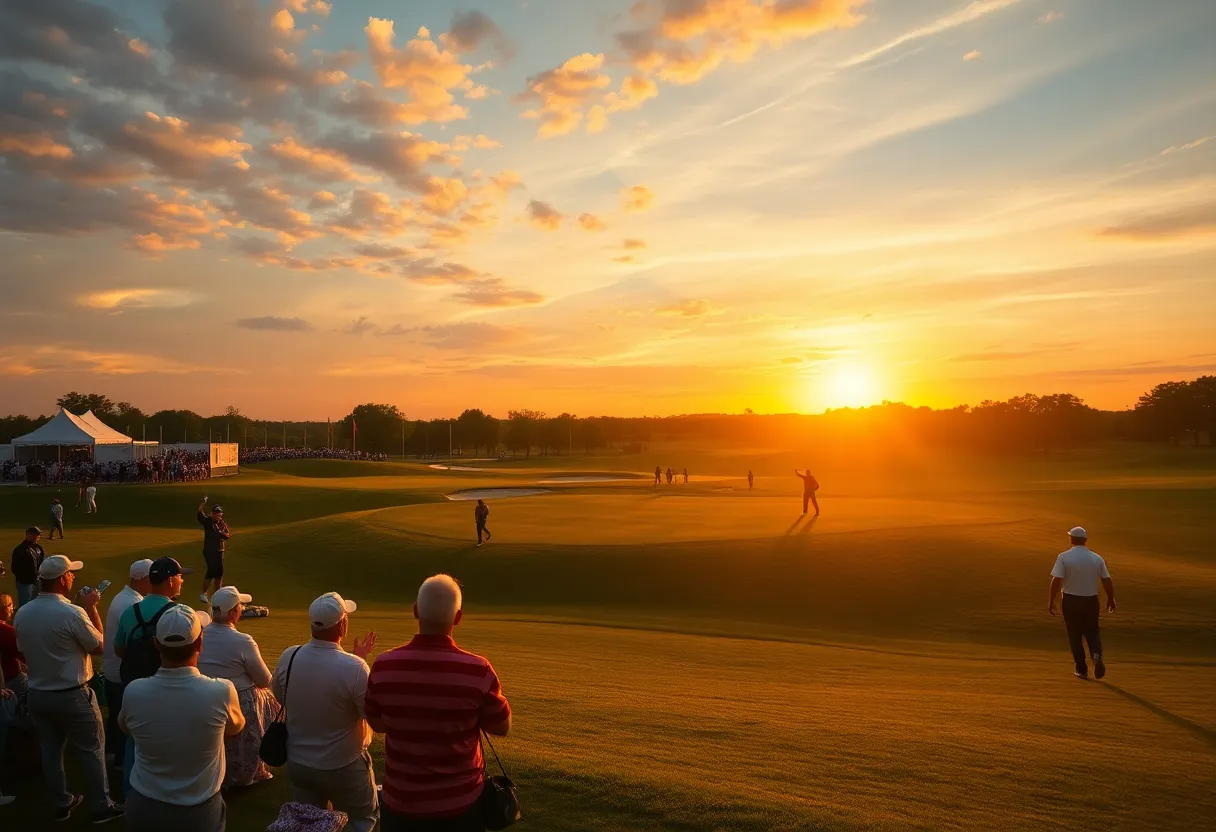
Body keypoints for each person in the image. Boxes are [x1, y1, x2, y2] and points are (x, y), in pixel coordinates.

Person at [366, 575, 511, 831]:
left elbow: (376, 723)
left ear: (415, 611)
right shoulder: (478, 670)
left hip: (401, 805)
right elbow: (502, 726)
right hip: (461, 806)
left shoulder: (384, 665)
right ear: (458, 618)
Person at [13, 555, 124, 823]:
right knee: (92, 749)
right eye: (71, 574)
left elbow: (22, 651)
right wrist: (91, 608)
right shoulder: (73, 612)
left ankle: (61, 803)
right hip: (72, 694)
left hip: (38, 694)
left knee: (50, 750)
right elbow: (99, 646)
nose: (74, 577)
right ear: (62, 579)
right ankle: (101, 807)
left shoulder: (24, 611)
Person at [120, 604, 242, 832]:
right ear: (200, 643)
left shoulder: (134, 691)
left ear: (156, 644)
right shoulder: (222, 691)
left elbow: (127, 729)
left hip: (144, 806)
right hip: (199, 812)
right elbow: (235, 728)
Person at [274, 593, 378, 832]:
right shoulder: (354, 667)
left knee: (308, 821)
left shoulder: (289, 656)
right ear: (343, 624)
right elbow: (370, 714)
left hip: (299, 762)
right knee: (362, 819)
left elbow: (281, 696)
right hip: (343, 763)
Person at [115, 556, 192, 791]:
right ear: (169, 581)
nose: (182, 581)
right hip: (171, 689)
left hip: (136, 687)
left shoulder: (131, 611)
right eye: (179, 577)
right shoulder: (181, 612)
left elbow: (120, 649)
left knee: (134, 742)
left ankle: (132, 795)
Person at [197, 586, 277, 789]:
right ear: (234, 612)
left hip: (204, 695)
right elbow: (264, 680)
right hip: (237, 700)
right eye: (239, 607)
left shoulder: (199, 635)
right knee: (269, 699)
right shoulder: (242, 640)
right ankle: (250, 769)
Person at [101, 559, 153, 769]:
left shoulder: (125, 597)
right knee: (124, 720)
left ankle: (113, 756)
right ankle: (120, 761)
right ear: (143, 580)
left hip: (114, 670)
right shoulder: (131, 604)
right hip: (121, 672)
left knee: (116, 716)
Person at [1049, 527, 1117, 680]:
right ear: (1085, 540)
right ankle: (1096, 655)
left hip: (1070, 600)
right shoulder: (1096, 558)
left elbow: (1056, 580)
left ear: (1071, 539)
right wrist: (1111, 598)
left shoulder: (1064, 557)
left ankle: (1081, 670)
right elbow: (1106, 580)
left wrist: (1051, 600)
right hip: (1091, 601)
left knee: (1075, 635)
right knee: (1093, 632)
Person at [197, 499, 230, 605]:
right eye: (216, 513)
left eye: (219, 513)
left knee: (219, 574)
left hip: (219, 550)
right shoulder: (207, 521)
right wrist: (202, 504)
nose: (218, 515)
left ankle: (217, 595)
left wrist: (221, 533)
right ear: (212, 513)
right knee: (211, 571)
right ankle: (203, 593)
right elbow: (199, 513)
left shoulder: (221, 523)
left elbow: (227, 535)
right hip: (209, 551)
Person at [10, 527, 45, 609]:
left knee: (37, 602)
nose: (38, 537)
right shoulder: (20, 549)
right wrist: (23, 578)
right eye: (36, 535)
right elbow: (15, 567)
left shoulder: (38, 548)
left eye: (38, 535)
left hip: (37, 580)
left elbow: (41, 562)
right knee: (25, 604)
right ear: (28, 534)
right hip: (25, 582)